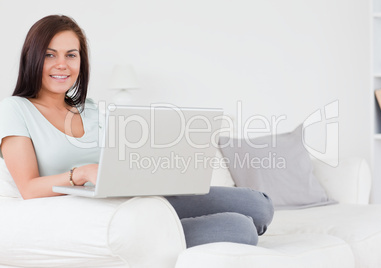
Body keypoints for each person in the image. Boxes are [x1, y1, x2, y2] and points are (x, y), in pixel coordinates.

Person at [0, 15, 274, 248]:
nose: (63, 64)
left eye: (71, 55)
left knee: (259, 205)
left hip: (138, 196)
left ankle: (169, 219)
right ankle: (164, 229)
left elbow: (124, 161)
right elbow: (29, 187)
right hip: (104, 215)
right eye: (50, 54)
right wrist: (81, 173)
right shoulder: (15, 110)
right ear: (33, 58)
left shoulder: (92, 109)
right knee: (240, 229)